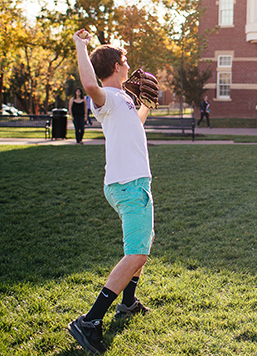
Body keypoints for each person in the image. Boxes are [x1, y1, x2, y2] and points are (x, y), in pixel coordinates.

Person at [68, 29, 154, 354]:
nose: (129, 65)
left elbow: (135, 124)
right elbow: (90, 86)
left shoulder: (123, 100)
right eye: (125, 60)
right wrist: (81, 45)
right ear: (116, 65)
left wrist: (146, 105)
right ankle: (89, 321)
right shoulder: (104, 95)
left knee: (144, 243)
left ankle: (128, 303)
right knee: (137, 253)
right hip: (128, 184)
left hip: (134, 182)